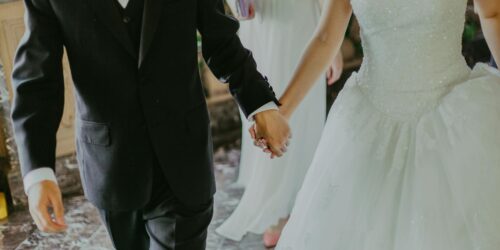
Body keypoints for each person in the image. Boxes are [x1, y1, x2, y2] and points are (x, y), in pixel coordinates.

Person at [10, 0, 291, 249]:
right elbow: (37, 80)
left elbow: (222, 42)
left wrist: (259, 104)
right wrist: (37, 173)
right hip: (110, 167)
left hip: (183, 160)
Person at [259, 0, 500, 248]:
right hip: (368, 125)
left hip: (454, 122)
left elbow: (493, 13)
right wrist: (281, 111)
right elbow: (325, 38)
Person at [217, 0, 343, 247]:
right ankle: (281, 205)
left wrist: (331, 36)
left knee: (291, 104)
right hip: (267, 19)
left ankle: (290, 203)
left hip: (289, 17)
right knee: (269, 101)